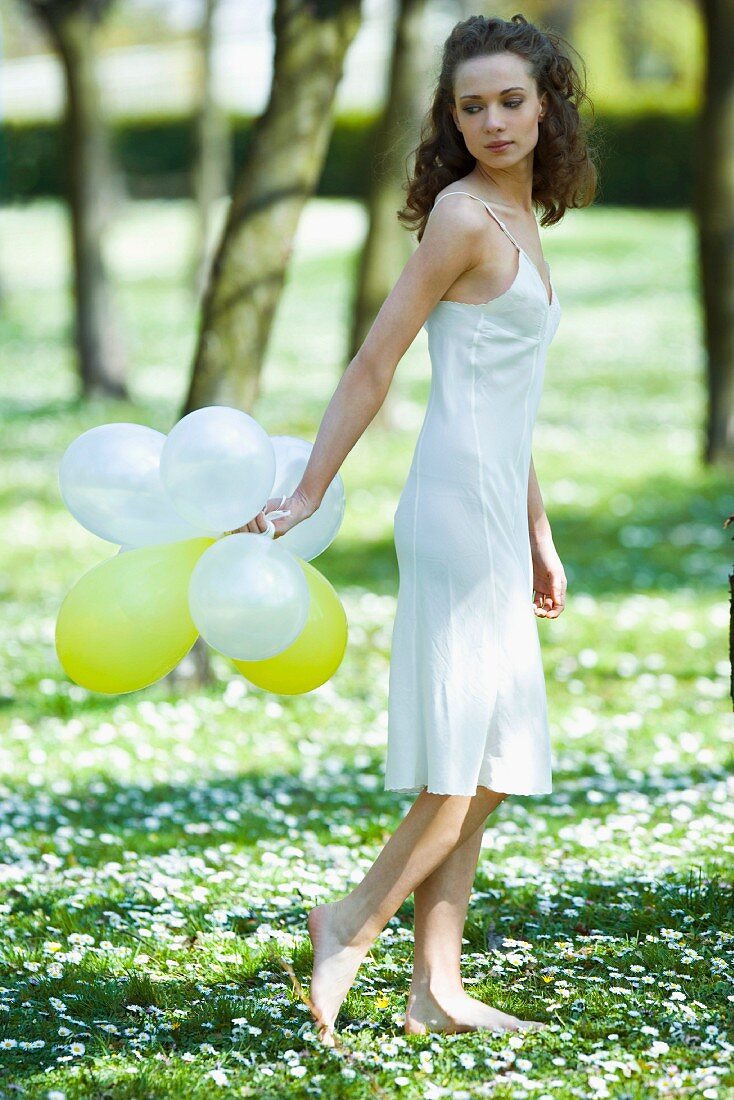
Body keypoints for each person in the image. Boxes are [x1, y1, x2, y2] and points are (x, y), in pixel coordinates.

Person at [240, 13, 598, 1043]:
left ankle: (432, 990)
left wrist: (538, 527)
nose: (492, 119)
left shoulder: (522, 214)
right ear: (448, 116)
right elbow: (374, 364)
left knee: (481, 752)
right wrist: (308, 488)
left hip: (493, 506)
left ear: (545, 106)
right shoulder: (460, 218)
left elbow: (506, 397)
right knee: (472, 763)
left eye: (510, 101)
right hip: (450, 508)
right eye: (470, 104)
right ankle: (348, 919)